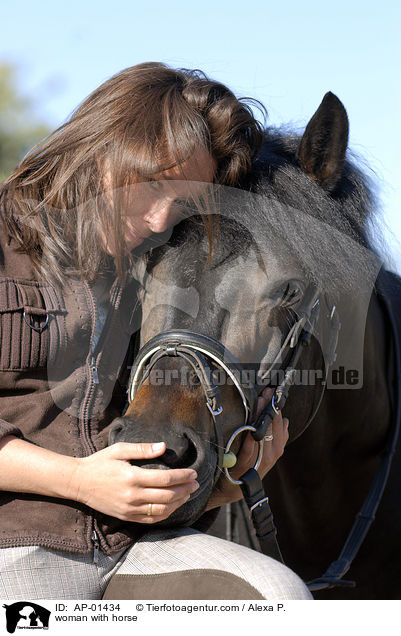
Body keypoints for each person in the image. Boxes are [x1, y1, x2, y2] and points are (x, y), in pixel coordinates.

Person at [0, 62, 312, 600]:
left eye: (186, 200)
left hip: (131, 545)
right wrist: (78, 481)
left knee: (277, 598)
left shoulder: (151, 269)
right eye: (156, 185)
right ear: (103, 149)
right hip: (17, 543)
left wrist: (224, 483)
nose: (161, 219)